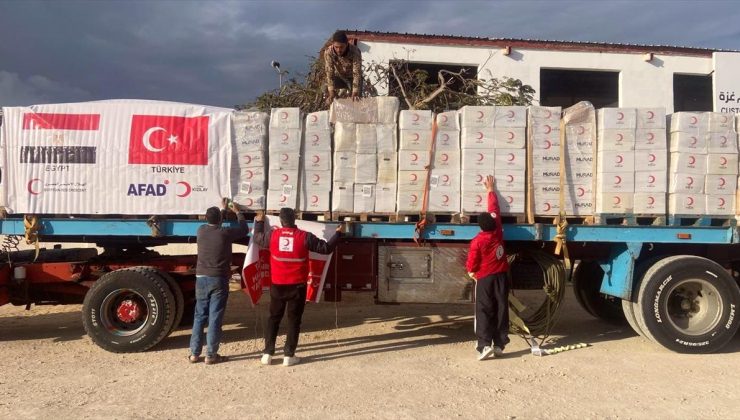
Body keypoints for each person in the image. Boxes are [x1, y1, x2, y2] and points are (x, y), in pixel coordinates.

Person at [252, 208, 342, 366]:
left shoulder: (273, 235)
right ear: (295, 220)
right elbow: (325, 249)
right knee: (294, 320)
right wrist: (338, 234)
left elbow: (258, 238)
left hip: (277, 285)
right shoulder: (305, 237)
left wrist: (259, 223)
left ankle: (267, 353)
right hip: (297, 286)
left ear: (280, 221)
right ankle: (289, 355)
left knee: (273, 318)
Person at [188, 200, 248, 365]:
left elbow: (215, 221)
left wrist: (222, 210)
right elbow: (244, 229)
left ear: (206, 219)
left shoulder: (200, 231)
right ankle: (211, 355)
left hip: (201, 278)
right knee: (215, 317)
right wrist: (237, 212)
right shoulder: (225, 233)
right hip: (218, 279)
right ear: (220, 220)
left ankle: (194, 353)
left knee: (199, 315)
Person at [465, 175, 510, 361]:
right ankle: (500, 344)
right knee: (501, 309)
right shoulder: (498, 232)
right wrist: (491, 191)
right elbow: (494, 210)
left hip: (485, 278)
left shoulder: (478, 241)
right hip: (501, 276)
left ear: (480, 227)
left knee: (484, 310)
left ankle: (484, 346)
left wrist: (471, 272)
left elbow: (472, 261)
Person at [324, 30, 363, 106]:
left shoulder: (355, 52)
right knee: (325, 88)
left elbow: (356, 73)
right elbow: (329, 72)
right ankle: (330, 108)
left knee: (356, 100)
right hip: (339, 77)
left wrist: (355, 91)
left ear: (347, 44)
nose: (339, 50)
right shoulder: (328, 52)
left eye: (341, 47)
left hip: (352, 78)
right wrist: (331, 92)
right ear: (333, 45)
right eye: (336, 47)